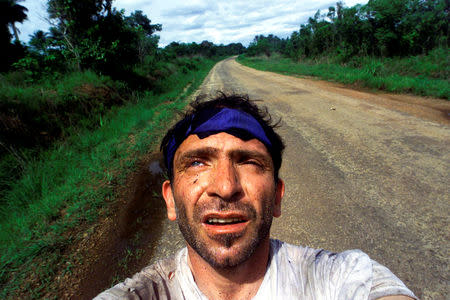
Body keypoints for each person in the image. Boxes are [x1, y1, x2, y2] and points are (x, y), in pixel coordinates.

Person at [94, 94, 417, 299]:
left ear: (276, 197)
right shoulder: (141, 294)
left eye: (248, 161)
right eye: (197, 162)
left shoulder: (337, 277)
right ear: (170, 200)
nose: (225, 186)